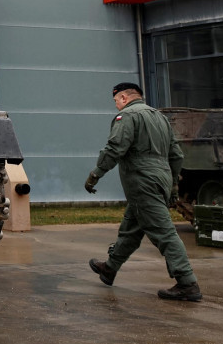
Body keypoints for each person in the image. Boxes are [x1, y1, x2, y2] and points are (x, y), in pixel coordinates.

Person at [85, 82, 202, 302]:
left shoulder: (128, 116)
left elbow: (114, 148)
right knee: (131, 228)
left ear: (123, 98)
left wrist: (95, 174)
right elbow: (176, 155)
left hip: (141, 181)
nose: (116, 105)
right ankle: (109, 269)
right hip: (160, 179)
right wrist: (173, 185)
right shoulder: (160, 118)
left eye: (116, 101)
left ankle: (187, 282)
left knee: (164, 231)